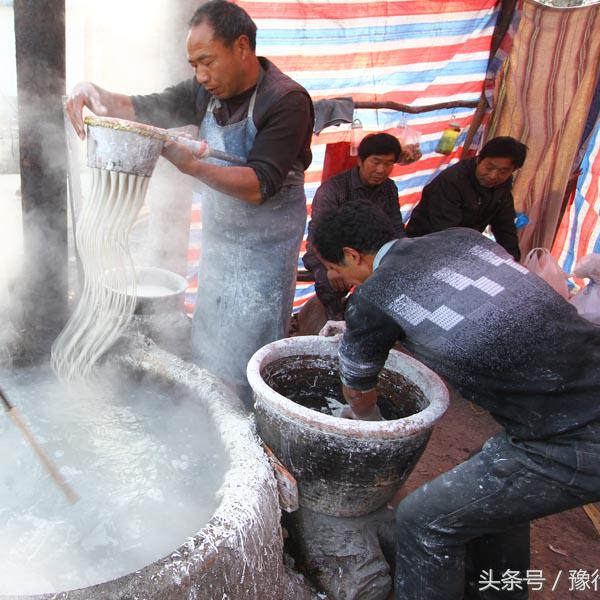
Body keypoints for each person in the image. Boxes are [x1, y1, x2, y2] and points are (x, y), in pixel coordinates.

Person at [308, 201, 600, 599]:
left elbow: (356, 387)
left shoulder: (374, 295)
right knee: (486, 489)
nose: (335, 278)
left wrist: (367, 417)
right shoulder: (463, 239)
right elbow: (468, 312)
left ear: (354, 255)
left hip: (578, 439)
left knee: (422, 520)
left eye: (334, 267)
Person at [65, 0, 313, 399]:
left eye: (207, 61)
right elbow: (141, 107)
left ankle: (247, 423)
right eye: (193, 65)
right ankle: (209, 418)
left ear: (242, 47)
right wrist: (90, 91)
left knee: (247, 359)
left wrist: (191, 166)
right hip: (220, 245)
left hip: (265, 254)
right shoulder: (205, 90)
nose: (200, 75)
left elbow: (259, 184)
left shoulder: (285, 101)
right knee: (209, 343)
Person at [302, 132, 404, 319]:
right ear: (360, 160)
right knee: (330, 282)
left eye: (388, 163)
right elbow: (317, 237)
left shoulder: (389, 188)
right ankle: (336, 319)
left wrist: (398, 259)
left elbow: (396, 229)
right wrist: (331, 267)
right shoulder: (333, 189)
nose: (381, 169)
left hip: (367, 253)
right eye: (376, 162)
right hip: (328, 253)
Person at [407, 136, 527, 261]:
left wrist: (512, 262)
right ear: (479, 159)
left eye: (503, 172)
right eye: (489, 168)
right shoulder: (453, 181)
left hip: (463, 248)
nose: (493, 176)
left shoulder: (503, 185)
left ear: (513, 170)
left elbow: (505, 227)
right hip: (424, 246)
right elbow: (445, 232)